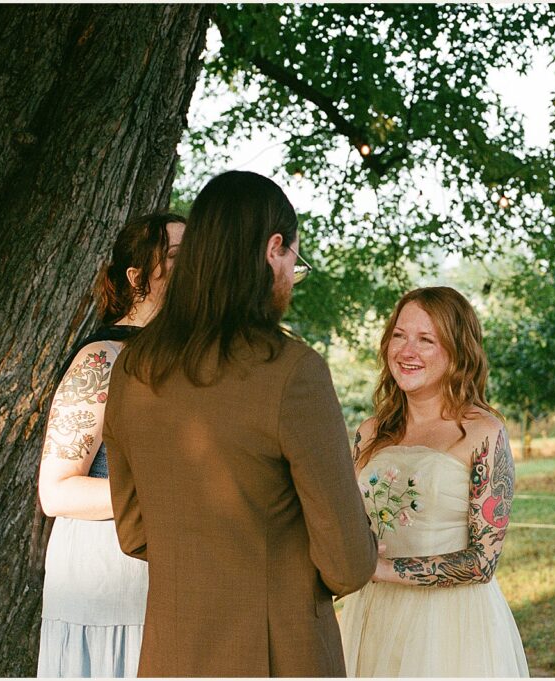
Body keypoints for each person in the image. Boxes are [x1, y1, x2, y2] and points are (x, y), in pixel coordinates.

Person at [101, 170, 377, 677]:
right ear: (275, 249)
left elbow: (134, 532)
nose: (293, 274)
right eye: (296, 260)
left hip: (170, 654)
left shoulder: (134, 370)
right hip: (277, 651)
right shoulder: (292, 371)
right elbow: (347, 560)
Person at [340, 286, 530, 677]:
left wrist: (380, 569)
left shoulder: (483, 433)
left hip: (449, 625)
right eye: (399, 335)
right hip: (372, 614)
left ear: (457, 350)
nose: (407, 351)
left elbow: (482, 562)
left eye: (426, 340)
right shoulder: (370, 432)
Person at [36, 212, 186, 677]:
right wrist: (172, 495)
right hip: (105, 576)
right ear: (137, 277)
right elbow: (56, 491)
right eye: (179, 257)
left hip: (170, 575)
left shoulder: (187, 360)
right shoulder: (104, 357)